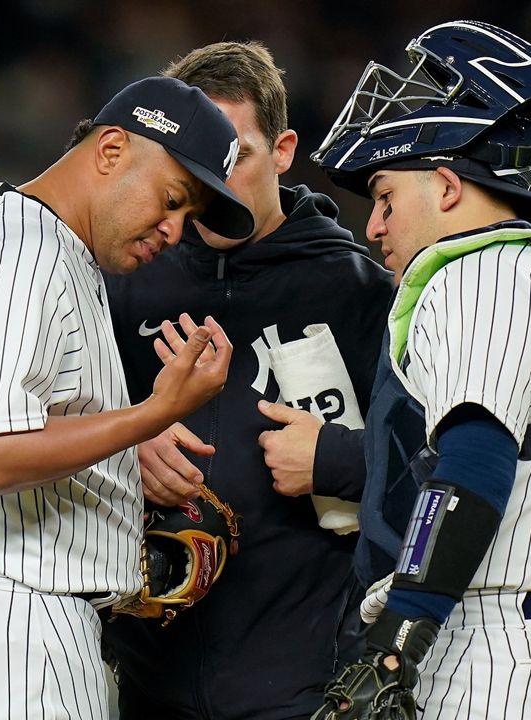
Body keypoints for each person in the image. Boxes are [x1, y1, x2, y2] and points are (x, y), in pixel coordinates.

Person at [0, 76, 253, 720]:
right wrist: (154, 413)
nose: (176, 230)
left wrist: (114, 437)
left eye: (190, 216)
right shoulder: (26, 256)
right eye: (172, 198)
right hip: (4, 629)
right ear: (113, 149)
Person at [304, 21, 531, 718]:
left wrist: (393, 646)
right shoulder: (525, 271)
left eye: (385, 197)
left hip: (488, 650)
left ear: (446, 187)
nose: (373, 226)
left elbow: (472, 466)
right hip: (506, 637)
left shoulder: (480, 275)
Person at [101, 42, 392, 720]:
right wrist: (123, 445)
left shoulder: (357, 292)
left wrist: (338, 460)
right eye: (196, 163)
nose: (219, 183)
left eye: (239, 155)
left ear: (285, 149)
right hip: (147, 681)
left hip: (301, 686)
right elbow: (37, 427)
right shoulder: (124, 280)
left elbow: (440, 469)